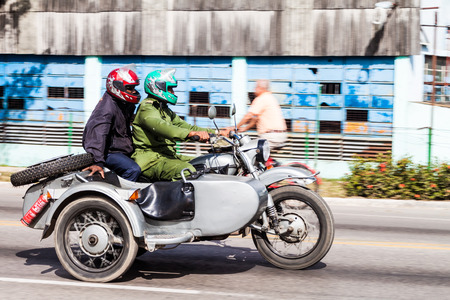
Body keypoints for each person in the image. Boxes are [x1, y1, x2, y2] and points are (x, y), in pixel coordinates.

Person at [132, 68, 230, 181]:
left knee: (206, 161)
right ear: (158, 87)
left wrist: (218, 132)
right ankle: (172, 198)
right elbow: (162, 127)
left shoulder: (164, 109)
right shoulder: (147, 108)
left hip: (167, 155)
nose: (173, 93)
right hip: (150, 160)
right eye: (170, 89)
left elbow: (186, 126)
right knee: (187, 170)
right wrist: (190, 134)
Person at [82, 65, 142, 181]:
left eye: (134, 87)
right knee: (133, 169)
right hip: (109, 153)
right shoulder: (107, 108)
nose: (134, 91)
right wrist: (98, 161)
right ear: (116, 87)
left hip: (121, 150)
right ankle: (121, 196)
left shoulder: (122, 104)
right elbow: (98, 134)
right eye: (130, 88)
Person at [234, 79, 287, 149]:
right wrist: (246, 128)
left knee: (248, 150)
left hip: (271, 136)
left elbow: (248, 116)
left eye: (255, 87)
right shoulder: (270, 97)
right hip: (278, 135)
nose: (254, 89)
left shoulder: (261, 98)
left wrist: (235, 127)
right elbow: (256, 118)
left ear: (260, 88)